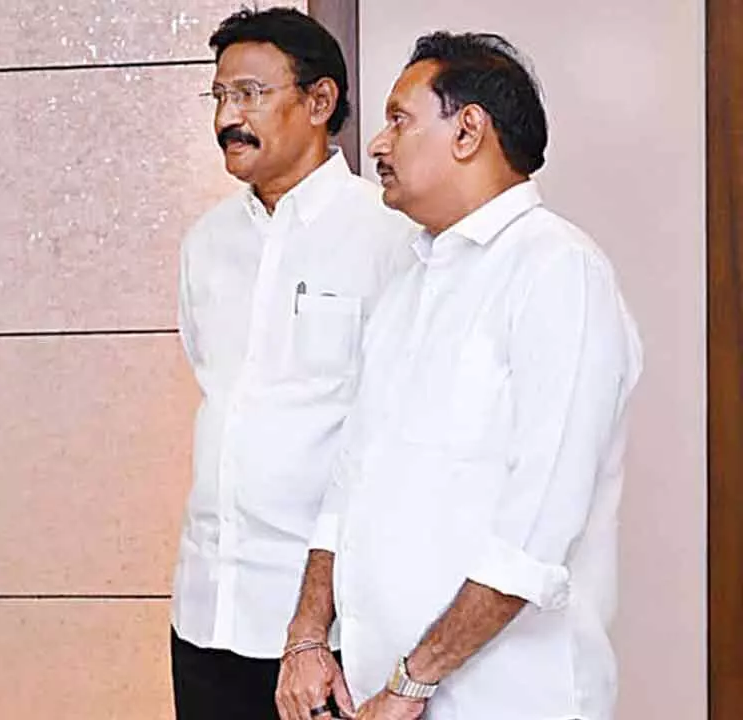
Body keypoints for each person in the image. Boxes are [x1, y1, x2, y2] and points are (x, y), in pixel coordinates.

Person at [275, 31, 642, 720]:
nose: (377, 144)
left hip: (507, 702)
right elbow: (349, 484)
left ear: (468, 130)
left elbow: (536, 530)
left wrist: (413, 681)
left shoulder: (558, 270)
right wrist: (307, 637)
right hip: (381, 695)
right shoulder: (409, 279)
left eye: (399, 119)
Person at [170, 8, 416, 719]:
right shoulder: (205, 243)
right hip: (205, 611)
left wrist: (320, 624)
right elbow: (218, 389)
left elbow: (392, 437)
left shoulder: (390, 236)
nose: (228, 117)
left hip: (329, 632)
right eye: (220, 96)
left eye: (250, 94)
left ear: (319, 101)